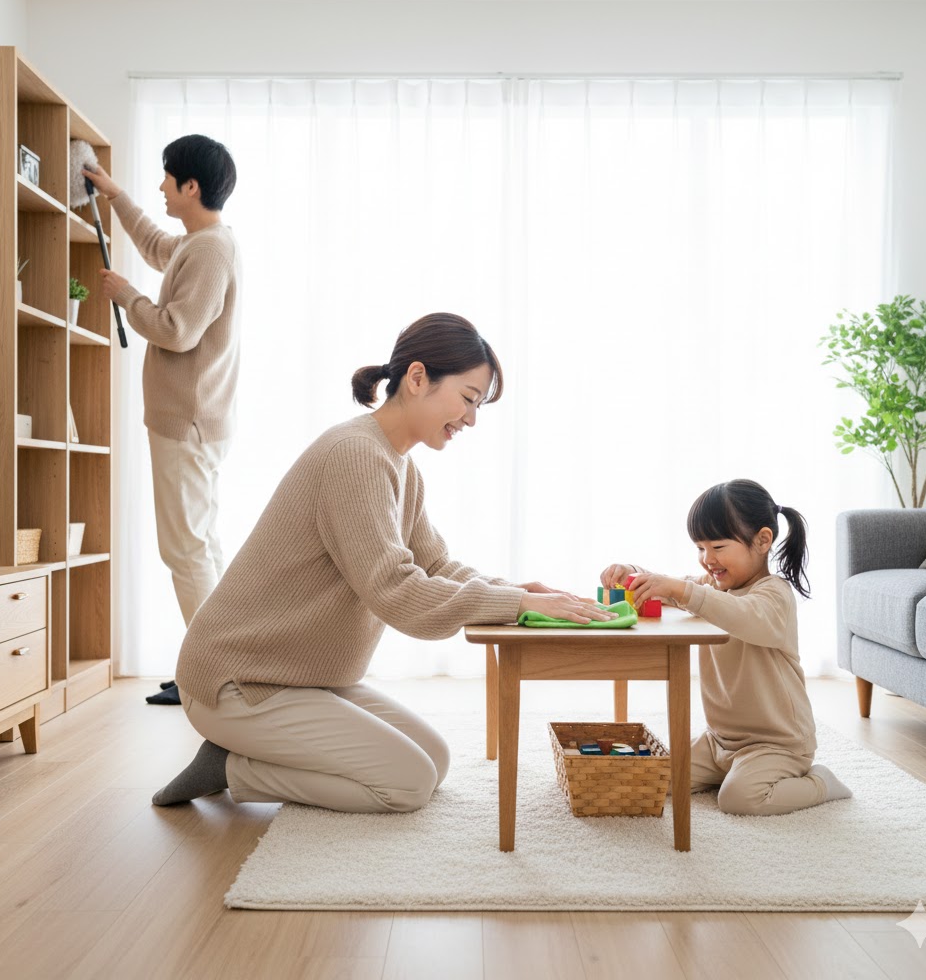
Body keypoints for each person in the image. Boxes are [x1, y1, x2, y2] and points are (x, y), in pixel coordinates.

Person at [152, 312, 612, 810]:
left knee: (434, 759)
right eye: (468, 399)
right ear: (418, 379)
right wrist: (512, 602)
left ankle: (239, 758)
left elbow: (435, 565)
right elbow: (399, 592)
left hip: (296, 677)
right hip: (237, 682)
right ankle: (231, 767)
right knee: (407, 784)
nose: (471, 418)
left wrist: (520, 592)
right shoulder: (356, 456)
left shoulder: (399, 465)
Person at [83, 135, 240, 706]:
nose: (160, 187)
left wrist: (126, 296)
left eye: (166, 178)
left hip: (187, 421)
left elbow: (178, 331)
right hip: (193, 421)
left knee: (187, 551)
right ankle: (219, 663)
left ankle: (212, 674)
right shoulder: (201, 244)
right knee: (198, 547)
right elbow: (155, 245)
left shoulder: (210, 250)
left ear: (190, 186)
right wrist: (115, 193)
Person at [600, 479, 852, 816]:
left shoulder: (774, 595)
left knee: (739, 799)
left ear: (763, 541)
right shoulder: (714, 589)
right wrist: (636, 574)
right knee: (654, 777)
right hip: (720, 741)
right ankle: (732, 771)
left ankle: (821, 782)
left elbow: (738, 613)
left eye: (717, 548)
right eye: (700, 548)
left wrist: (685, 592)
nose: (707, 559)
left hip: (777, 744)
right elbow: (679, 591)